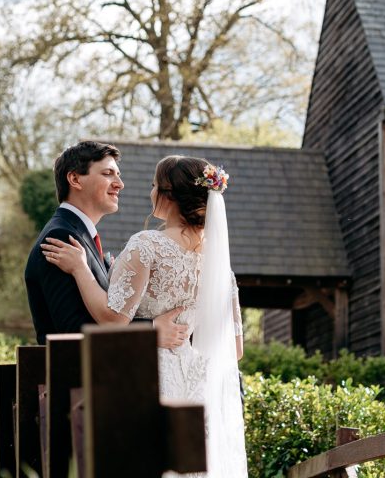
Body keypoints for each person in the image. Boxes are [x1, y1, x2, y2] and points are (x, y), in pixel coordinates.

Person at [41, 155, 248, 478]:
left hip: (149, 376)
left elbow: (112, 319)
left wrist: (80, 269)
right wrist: (182, 335)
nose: (149, 193)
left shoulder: (147, 245)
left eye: (153, 186)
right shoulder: (221, 267)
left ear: (167, 195)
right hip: (197, 384)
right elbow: (235, 350)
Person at [24, 140, 188, 349]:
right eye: (108, 173)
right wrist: (151, 330)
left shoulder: (79, 236)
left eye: (118, 174)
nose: (119, 183)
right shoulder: (61, 236)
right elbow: (73, 331)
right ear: (75, 179)